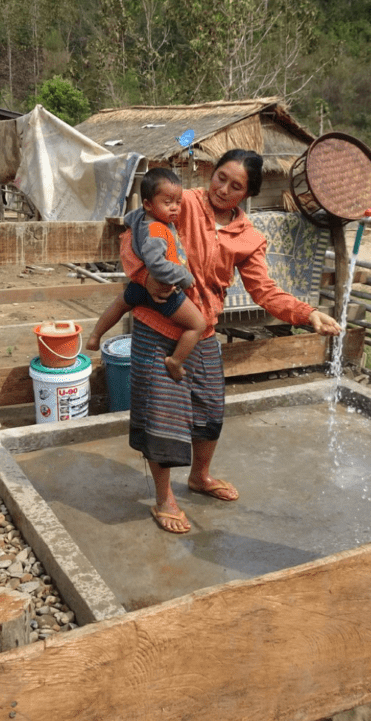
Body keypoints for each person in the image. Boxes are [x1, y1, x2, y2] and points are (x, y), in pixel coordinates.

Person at [121, 149, 341, 534]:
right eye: (221, 177)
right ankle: (164, 498)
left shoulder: (249, 239)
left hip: (201, 331)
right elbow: (132, 234)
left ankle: (199, 477)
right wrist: (143, 278)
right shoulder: (181, 202)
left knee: (210, 410)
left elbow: (265, 291)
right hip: (157, 326)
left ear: (247, 194)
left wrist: (307, 314)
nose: (222, 188)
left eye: (235, 185)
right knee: (162, 414)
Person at [85, 168, 207, 381]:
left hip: (138, 286)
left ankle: (95, 336)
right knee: (198, 324)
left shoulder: (140, 218)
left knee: (119, 305)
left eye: (178, 202)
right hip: (163, 290)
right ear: (149, 204)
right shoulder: (157, 231)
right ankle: (175, 361)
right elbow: (157, 265)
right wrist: (184, 277)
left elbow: (127, 220)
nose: (175, 208)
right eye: (167, 202)